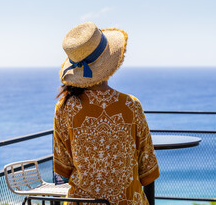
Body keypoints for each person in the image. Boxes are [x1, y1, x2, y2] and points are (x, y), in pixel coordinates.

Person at [53, 22, 159, 205]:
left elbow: (63, 167)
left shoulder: (65, 108)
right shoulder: (131, 106)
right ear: (108, 63)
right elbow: (147, 167)